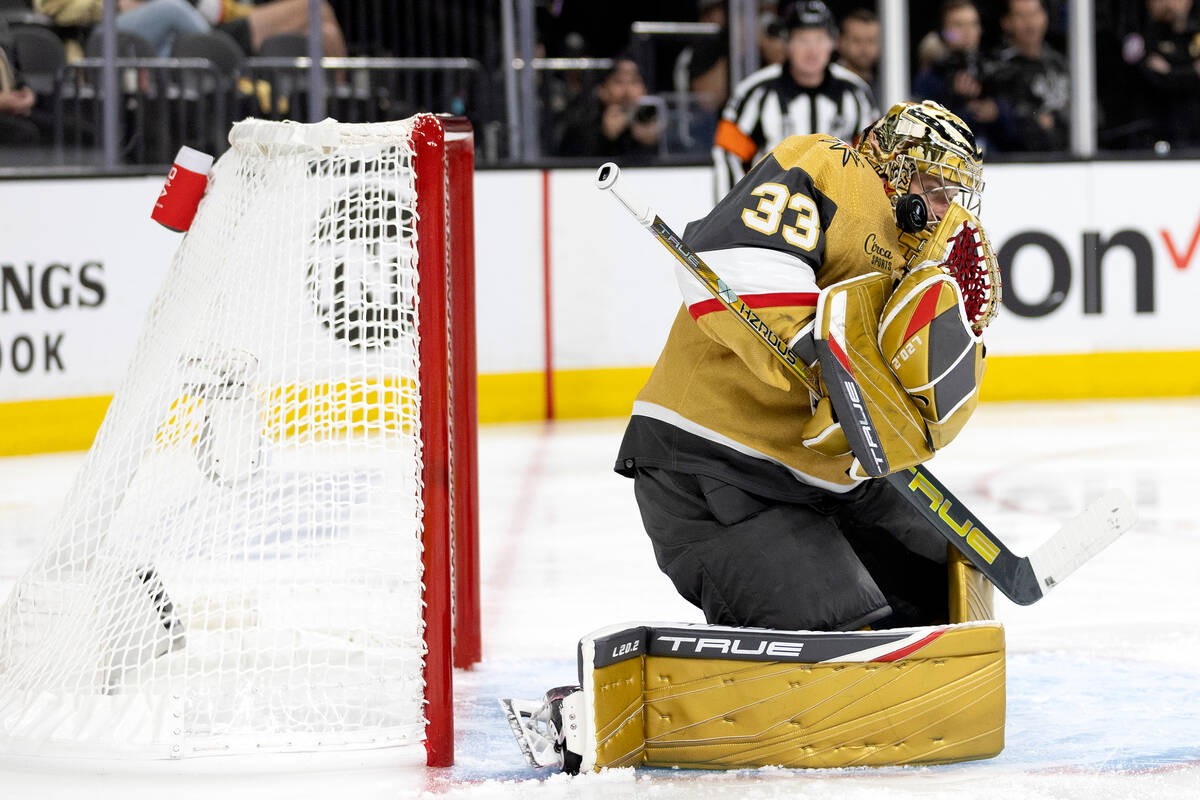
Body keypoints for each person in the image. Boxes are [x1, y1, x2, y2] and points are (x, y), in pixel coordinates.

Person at [615, 100, 994, 633]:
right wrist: (821, 359)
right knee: (836, 627)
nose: (939, 207)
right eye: (932, 185)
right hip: (712, 461)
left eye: (950, 194)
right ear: (891, 158)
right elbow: (729, 259)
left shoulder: (919, 250)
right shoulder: (828, 166)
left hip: (825, 476)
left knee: (945, 591)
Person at [712, 0, 877, 200]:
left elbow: (873, 157)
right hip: (770, 212)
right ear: (787, 42)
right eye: (802, 39)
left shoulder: (856, 91)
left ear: (833, 43)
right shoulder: (755, 92)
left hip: (839, 213)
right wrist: (732, 214)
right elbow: (728, 154)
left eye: (819, 39)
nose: (812, 50)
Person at [34, 0, 347, 57]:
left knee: (319, 17)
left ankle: (348, 114)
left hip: (195, 30)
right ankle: (225, 59)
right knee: (173, 7)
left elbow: (218, 9)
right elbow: (51, 6)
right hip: (105, 34)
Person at [912, 0, 999, 148]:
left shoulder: (994, 69)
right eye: (958, 25)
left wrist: (996, 112)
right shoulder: (929, 78)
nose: (968, 32)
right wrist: (954, 103)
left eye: (973, 24)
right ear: (943, 32)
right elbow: (921, 132)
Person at [986, 0, 1070, 152]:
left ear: (1045, 17)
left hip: (1068, 155)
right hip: (1022, 160)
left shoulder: (1060, 62)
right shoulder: (997, 68)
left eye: (1034, 14)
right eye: (1021, 16)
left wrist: (1055, 120)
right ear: (1006, 22)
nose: (1030, 24)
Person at [1121, 0, 1200, 150]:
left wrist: (1169, 71)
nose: (1168, 4)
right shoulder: (1142, 38)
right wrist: (1191, 71)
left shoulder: (1195, 36)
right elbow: (1152, 76)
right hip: (1152, 136)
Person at [556, 56, 661, 162]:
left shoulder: (657, 123)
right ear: (602, 90)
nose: (627, 91)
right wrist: (604, 136)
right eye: (619, 82)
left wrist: (651, 143)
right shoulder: (580, 124)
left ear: (645, 90)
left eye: (634, 82)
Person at [835, 7, 882, 102]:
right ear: (840, 42)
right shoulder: (828, 85)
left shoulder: (888, 86)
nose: (864, 48)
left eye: (871, 41)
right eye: (857, 40)